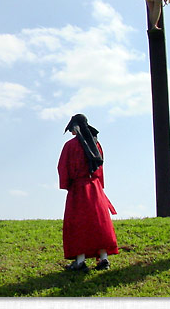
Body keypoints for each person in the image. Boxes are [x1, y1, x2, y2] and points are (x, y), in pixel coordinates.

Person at [57, 114, 118, 272]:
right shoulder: (97, 145)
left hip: (78, 188)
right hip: (95, 187)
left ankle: (80, 260)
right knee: (100, 223)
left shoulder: (70, 146)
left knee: (78, 224)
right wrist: (99, 185)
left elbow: (63, 167)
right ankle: (104, 258)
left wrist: (67, 184)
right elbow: (100, 168)